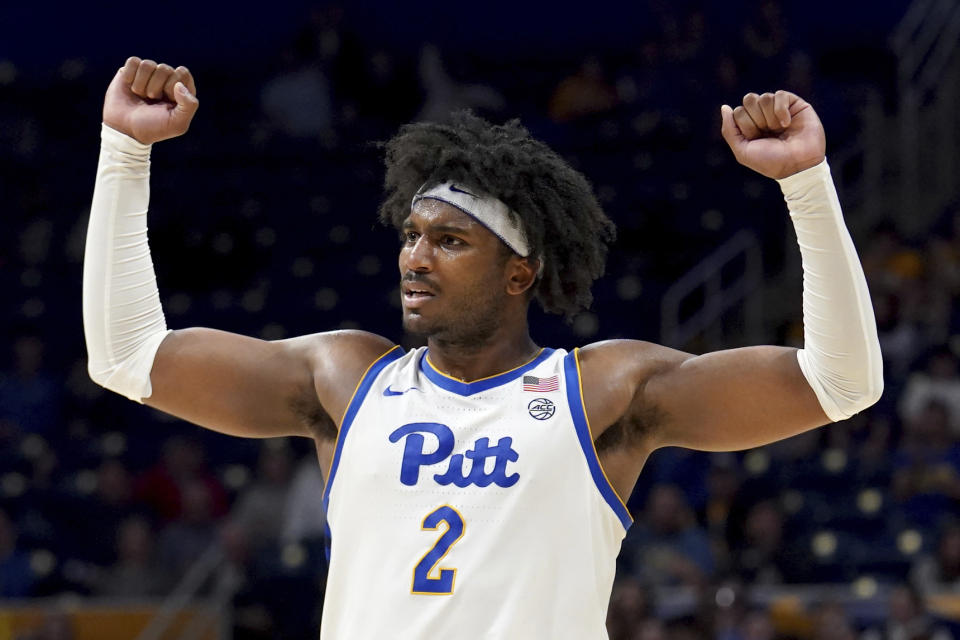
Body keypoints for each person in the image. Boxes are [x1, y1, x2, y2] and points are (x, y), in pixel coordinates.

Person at [83, 56, 882, 638]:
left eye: (450, 240)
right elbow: (125, 356)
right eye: (412, 234)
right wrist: (125, 151)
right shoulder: (342, 377)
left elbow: (841, 384)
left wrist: (805, 184)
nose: (415, 256)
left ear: (518, 274)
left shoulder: (604, 390)